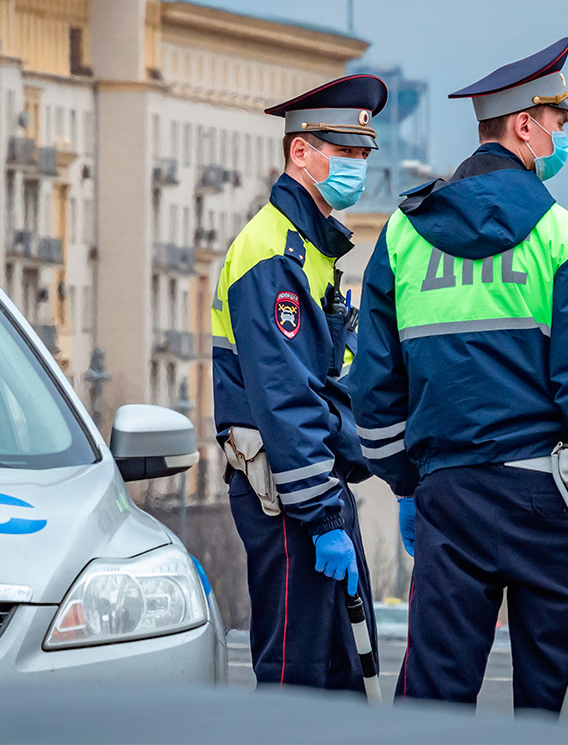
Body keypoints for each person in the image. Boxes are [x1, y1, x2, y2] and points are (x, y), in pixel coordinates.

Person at [348, 39, 568, 716]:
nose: (561, 138)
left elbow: (372, 386)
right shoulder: (567, 239)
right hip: (553, 498)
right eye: (558, 124)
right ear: (523, 126)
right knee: (557, 701)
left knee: (434, 696)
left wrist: (405, 483)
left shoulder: (401, 238)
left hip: (449, 495)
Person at [212, 74, 387, 691]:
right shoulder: (271, 251)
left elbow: (336, 379)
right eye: (344, 152)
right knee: (296, 679)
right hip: (288, 497)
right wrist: (321, 515)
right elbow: (286, 397)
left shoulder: (312, 250)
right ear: (301, 153)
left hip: (313, 489)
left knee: (339, 675)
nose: (357, 166)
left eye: (364, 154)